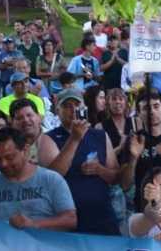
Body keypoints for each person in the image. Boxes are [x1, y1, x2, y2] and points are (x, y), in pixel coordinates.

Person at [39, 89, 120, 235]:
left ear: (84, 108)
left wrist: (100, 170)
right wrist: (74, 139)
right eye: (67, 106)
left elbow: (115, 177)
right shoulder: (49, 138)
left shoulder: (100, 135)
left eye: (77, 105)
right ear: (58, 111)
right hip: (67, 218)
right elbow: (52, 176)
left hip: (102, 215)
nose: (73, 110)